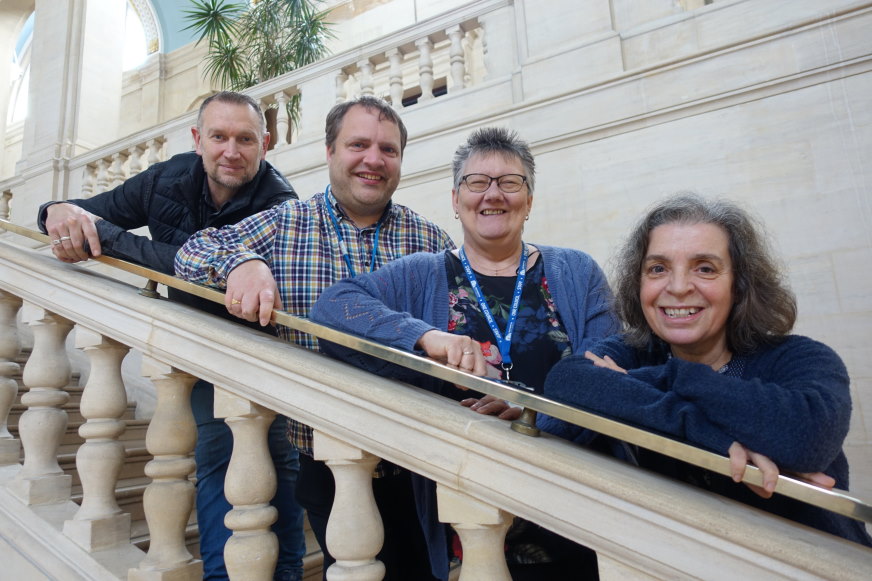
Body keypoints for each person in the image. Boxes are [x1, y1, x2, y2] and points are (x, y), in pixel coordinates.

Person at [309, 127, 620, 580]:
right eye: (477, 182)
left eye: (509, 182)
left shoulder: (576, 271)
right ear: (456, 200)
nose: (493, 194)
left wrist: (533, 418)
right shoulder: (422, 274)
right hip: (468, 518)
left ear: (529, 200)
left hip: (575, 514)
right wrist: (426, 337)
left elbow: (607, 376)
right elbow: (331, 308)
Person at [174, 95, 455, 581]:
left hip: (414, 466)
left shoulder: (430, 241)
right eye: (358, 145)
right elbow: (194, 251)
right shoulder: (286, 225)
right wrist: (242, 262)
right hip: (324, 460)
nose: (373, 159)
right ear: (329, 152)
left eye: (388, 149)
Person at [37, 91, 308, 580]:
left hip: (267, 355)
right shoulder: (166, 178)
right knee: (214, 463)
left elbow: (194, 267)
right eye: (218, 136)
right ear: (197, 140)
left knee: (280, 473)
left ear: (264, 144)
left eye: (245, 139)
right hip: (200, 353)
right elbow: (86, 212)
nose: (231, 150)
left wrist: (113, 240)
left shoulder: (280, 202)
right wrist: (55, 208)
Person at [542, 193, 872, 547]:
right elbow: (568, 381)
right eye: (658, 268)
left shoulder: (802, 358)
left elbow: (807, 438)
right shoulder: (635, 352)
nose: (679, 286)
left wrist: (668, 380)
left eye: (704, 268)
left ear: (740, 285)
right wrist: (708, 435)